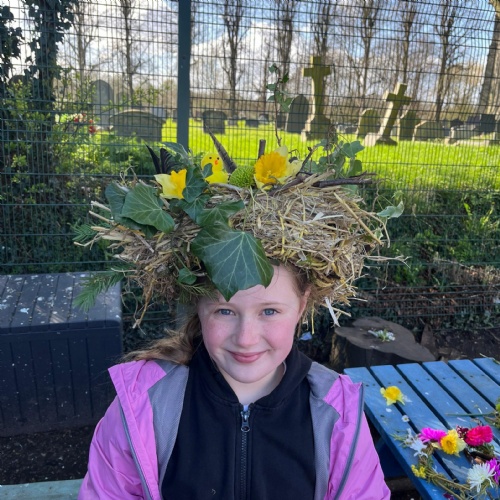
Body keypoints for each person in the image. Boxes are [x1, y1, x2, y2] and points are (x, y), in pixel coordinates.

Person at [77, 140, 396, 499]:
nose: (246, 338)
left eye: (269, 311)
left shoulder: (339, 416)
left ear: (302, 304)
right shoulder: (142, 406)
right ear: (196, 304)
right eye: (225, 311)